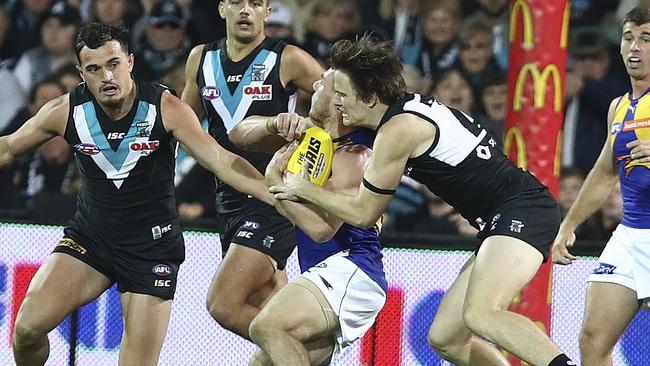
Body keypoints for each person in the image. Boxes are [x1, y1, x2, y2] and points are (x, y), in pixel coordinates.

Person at [270, 35, 575, 366]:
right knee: (446, 339)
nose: (337, 102)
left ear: (371, 97)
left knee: (482, 313)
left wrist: (302, 188)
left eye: (342, 95)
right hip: (508, 215)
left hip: (521, 211)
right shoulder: (399, 113)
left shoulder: (398, 130)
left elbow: (363, 213)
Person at [3, 23, 275, 366]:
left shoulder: (166, 108)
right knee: (27, 328)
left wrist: (273, 193)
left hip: (151, 250)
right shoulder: (65, 111)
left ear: (130, 61)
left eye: (113, 64)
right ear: (80, 73)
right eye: (94, 69)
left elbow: (222, 160)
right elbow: (10, 147)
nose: (106, 76)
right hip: (90, 240)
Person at [181, 0, 323, 340]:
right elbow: (182, 125)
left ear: (267, 13)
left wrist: (314, 139)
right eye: (237, 2)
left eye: (255, 3)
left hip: (274, 201)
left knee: (224, 304)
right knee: (274, 313)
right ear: (221, 9)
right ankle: (310, 355)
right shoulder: (201, 59)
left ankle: (300, 357)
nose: (245, 10)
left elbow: (342, 100)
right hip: (227, 202)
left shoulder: (286, 58)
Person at [234, 69, 386, 365]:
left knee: (266, 325)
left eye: (323, 83)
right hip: (324, 271)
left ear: (340, 101)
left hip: (353, 268)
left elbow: (320, 230)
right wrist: (272, 124)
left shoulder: (355, 155)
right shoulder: (314, 140)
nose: (313, 84)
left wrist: (274, 181)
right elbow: (238, 134)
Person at [553, 7, 650, 365]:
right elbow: (604, 172)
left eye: (646, 38)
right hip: (630, 236)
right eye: (628, 38)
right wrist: (569, 224)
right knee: (592, 340)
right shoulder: (618, 107)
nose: (635, 47)